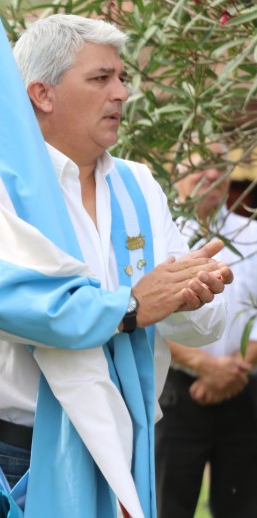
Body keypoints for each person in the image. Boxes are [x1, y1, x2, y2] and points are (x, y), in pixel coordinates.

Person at [0, 13, 233, 517]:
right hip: (18, 458)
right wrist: (131, 305)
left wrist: (192, 295)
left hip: (124, 442)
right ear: (42, 94)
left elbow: (201, 324)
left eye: (121, 77)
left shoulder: (138, 185)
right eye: (101, 78)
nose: (121, 93)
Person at [156, 143, 257, 518]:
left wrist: (232, 370)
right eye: (202, 166)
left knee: (243, 505)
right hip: (176, 396)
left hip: (244, 390)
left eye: (220, 167)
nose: (212, 175)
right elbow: (146, 314)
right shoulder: (159, 238)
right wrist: (204, 366)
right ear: (178, 172)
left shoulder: (252, 235)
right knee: (168, 505)